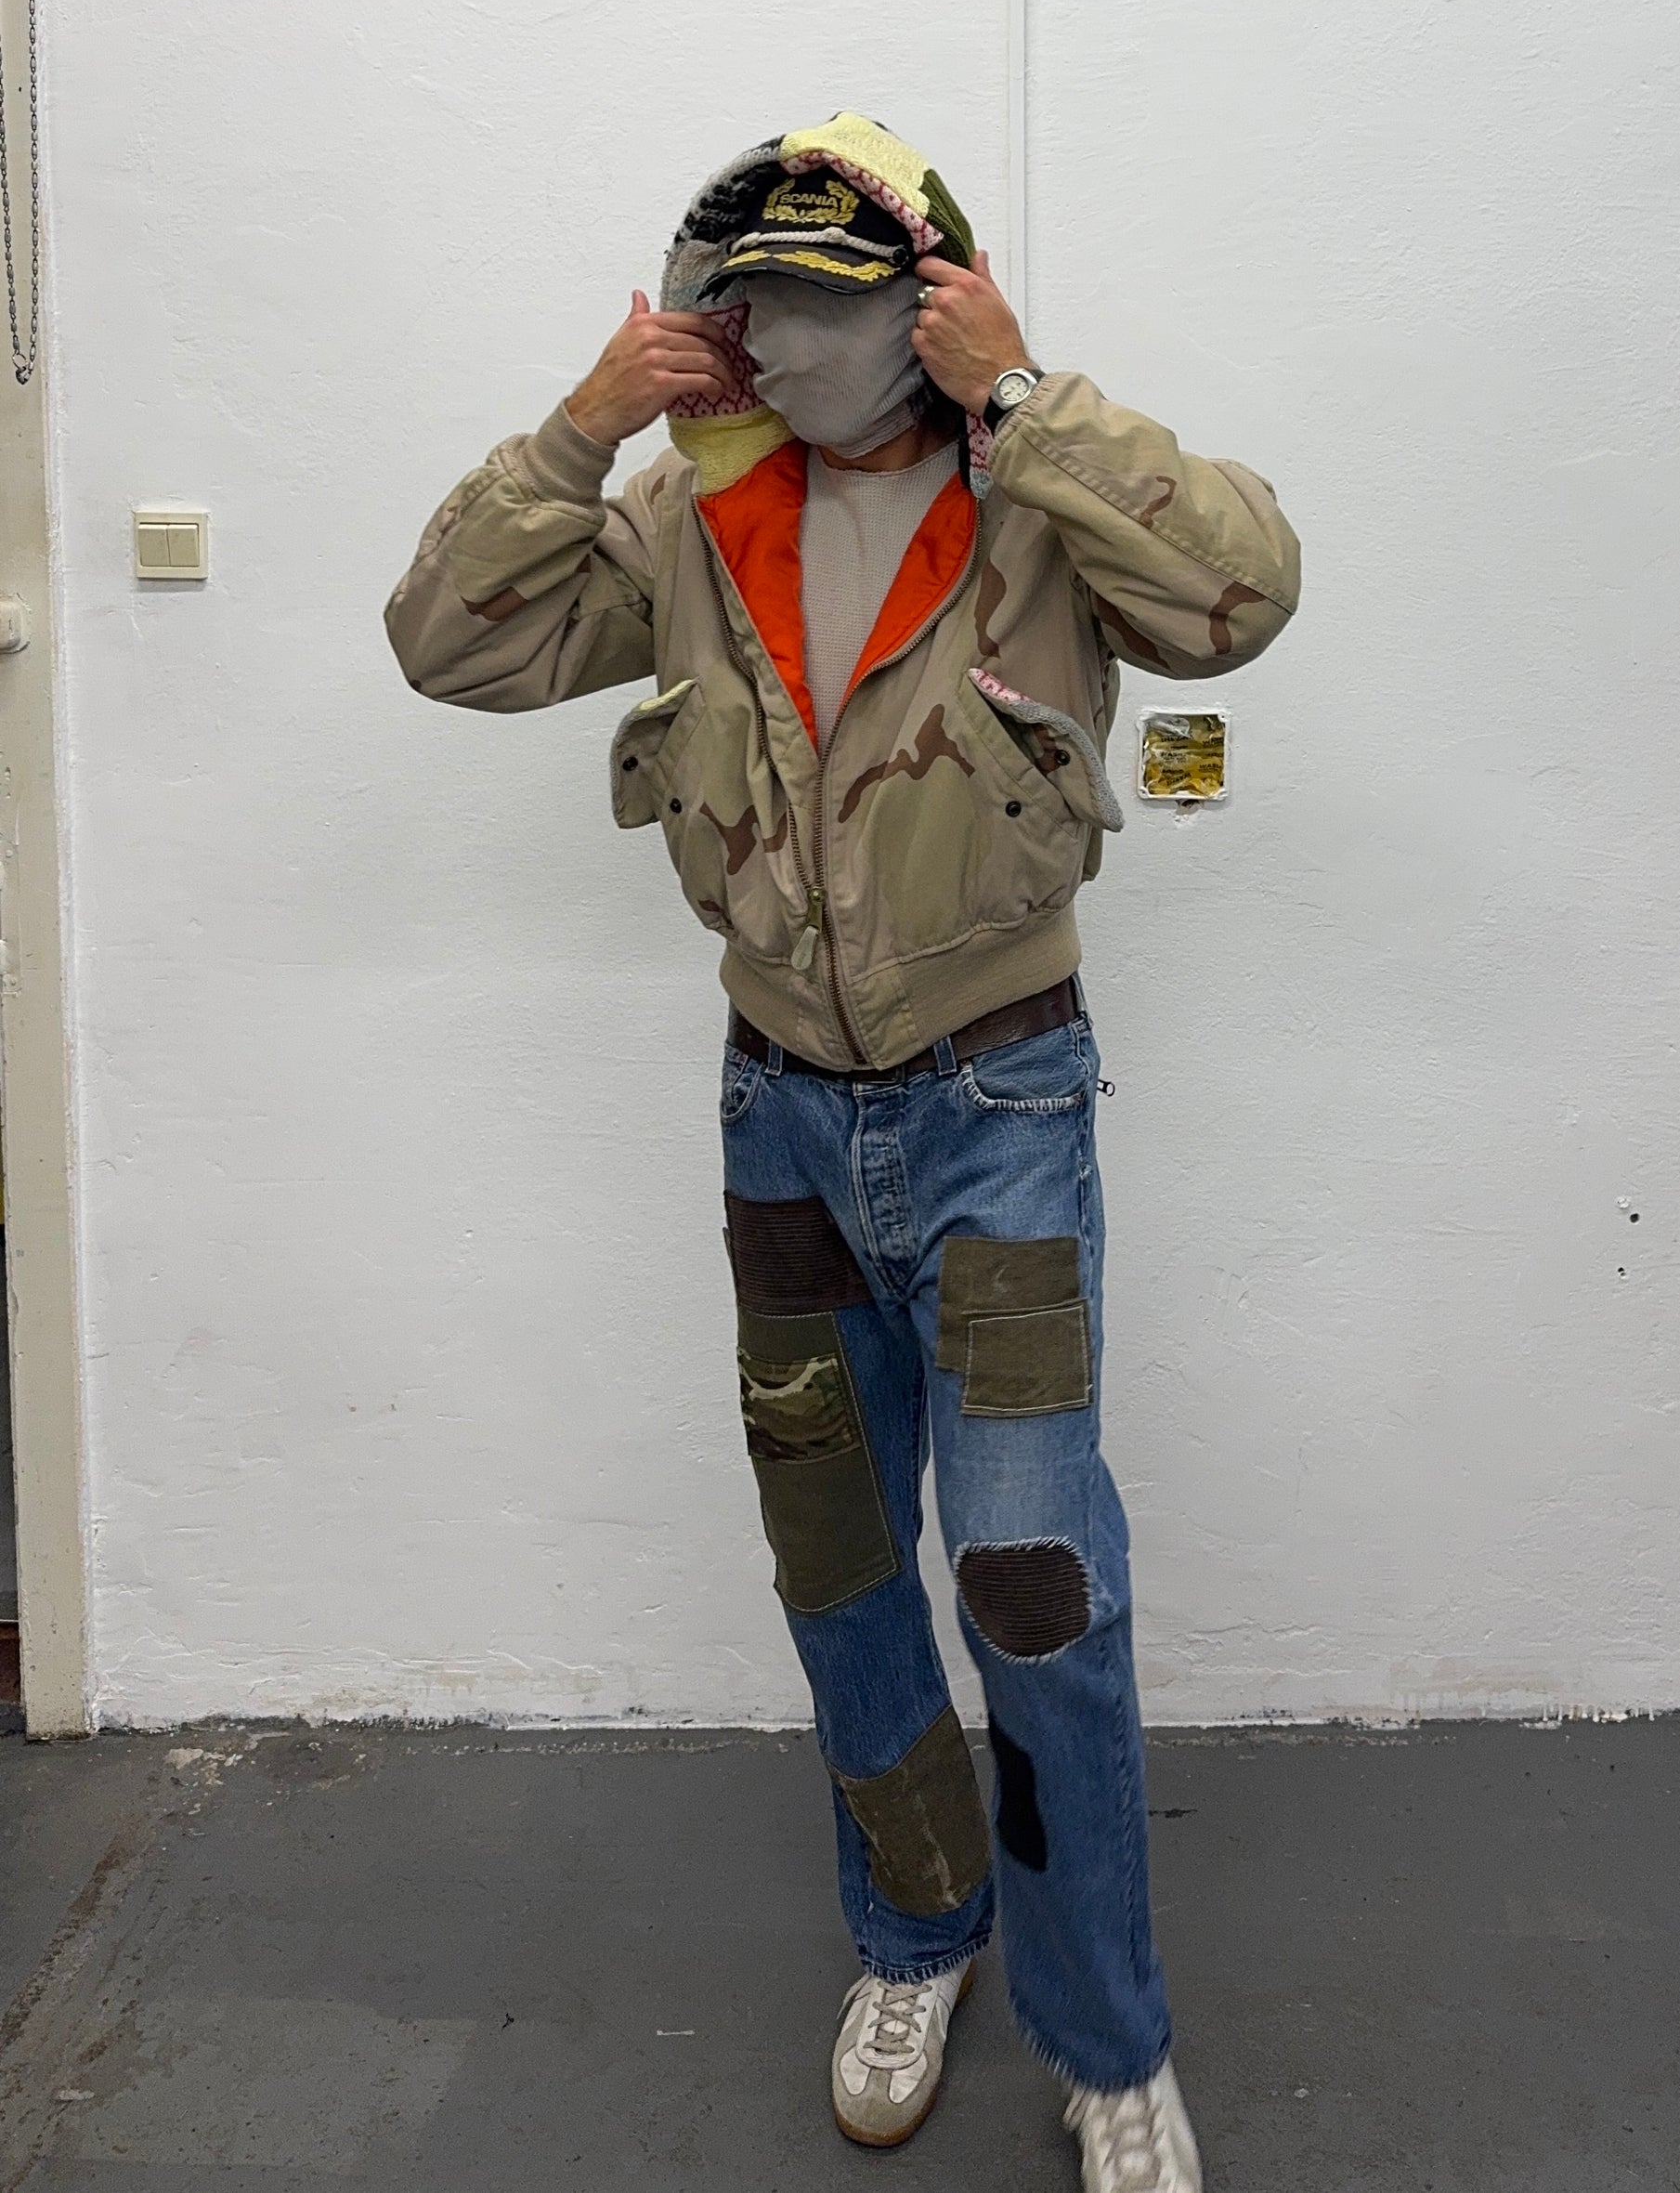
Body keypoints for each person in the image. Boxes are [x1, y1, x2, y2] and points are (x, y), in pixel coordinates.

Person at [385, 111, 1299, 2192]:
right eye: (744, 304)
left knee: (1034, 1585)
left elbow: (1242, 590)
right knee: (842, 1569)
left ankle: (1107, 2042)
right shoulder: (694, 517)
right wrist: (582, 425)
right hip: (780, 1115)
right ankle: (912, 1934)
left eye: (818, 302)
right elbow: (447, 641)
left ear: (925, 309)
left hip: (999, 1110)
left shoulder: (1035, 500)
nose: (771, 341)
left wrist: (1029, 396)